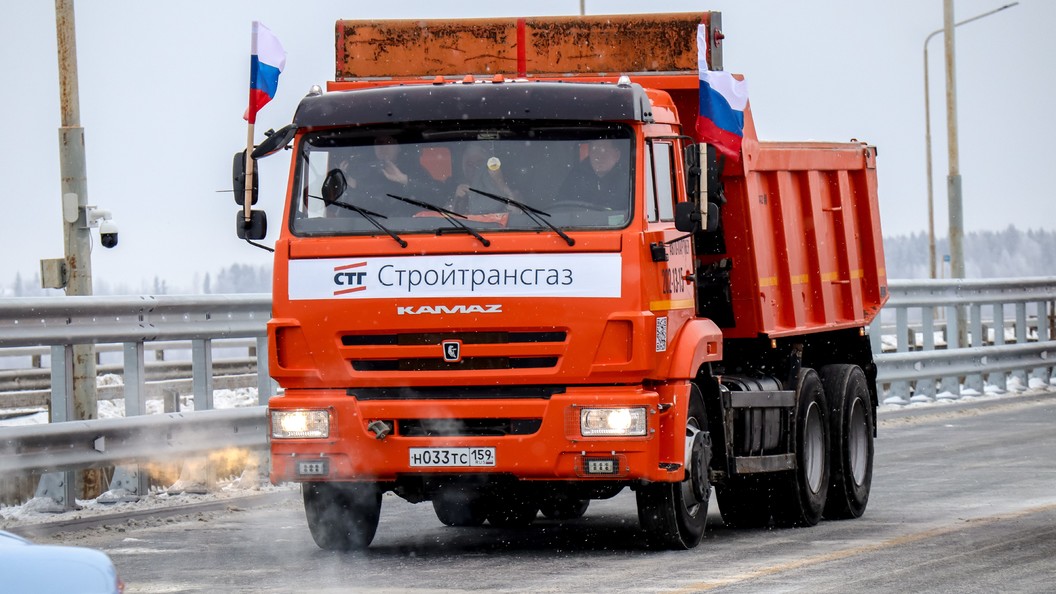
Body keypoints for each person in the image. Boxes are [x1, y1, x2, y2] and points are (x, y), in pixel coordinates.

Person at [555, 138, 630, 212]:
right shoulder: (576, 177)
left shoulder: (629, 180)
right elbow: (561, 209)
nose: (598, 157)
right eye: (594, 151)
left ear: (617, 155)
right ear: (589, 154)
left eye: (604, 151)